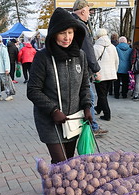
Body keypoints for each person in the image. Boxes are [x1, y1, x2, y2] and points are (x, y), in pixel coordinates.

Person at [27, 7, 92, 164]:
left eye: (70, 33)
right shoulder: (43, 57)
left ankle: (55, 185)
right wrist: (53, 110)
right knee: (61, 161)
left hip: (73, 119)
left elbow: (85, 85)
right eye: (63, 33)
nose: (67, 37)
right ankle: (56, 185)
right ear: (54, 33)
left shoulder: (80, 56)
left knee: (68, 161)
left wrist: (87, 106)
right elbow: (33, 90)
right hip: (51, 120)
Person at [72, 0, 107, 136]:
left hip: (72, 67)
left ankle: (87, 125)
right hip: (80, 68)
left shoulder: (70, 23)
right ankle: (92, 127)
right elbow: (88, 50)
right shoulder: (81, 26)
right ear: (82, 11)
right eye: (88, 11)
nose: (89, 14)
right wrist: (96, 70)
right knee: (89, 97)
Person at [93, 28, 119, 121]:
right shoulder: (113, 47)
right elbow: (117, 61)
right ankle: (98, 108)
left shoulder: (95, 47)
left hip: (100, 75)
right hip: (111, 74)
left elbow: (93, 62)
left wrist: (92, 74)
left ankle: (107, 114)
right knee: (104, 94)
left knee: (101, 95)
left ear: (97, 36)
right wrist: (114, 71)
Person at [0, 34, 14, 102]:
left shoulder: (3, 48)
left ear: (0, 40)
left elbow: (6, 59)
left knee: (5, 82)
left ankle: (9, 95)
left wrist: (7, 69)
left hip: (2, 69)